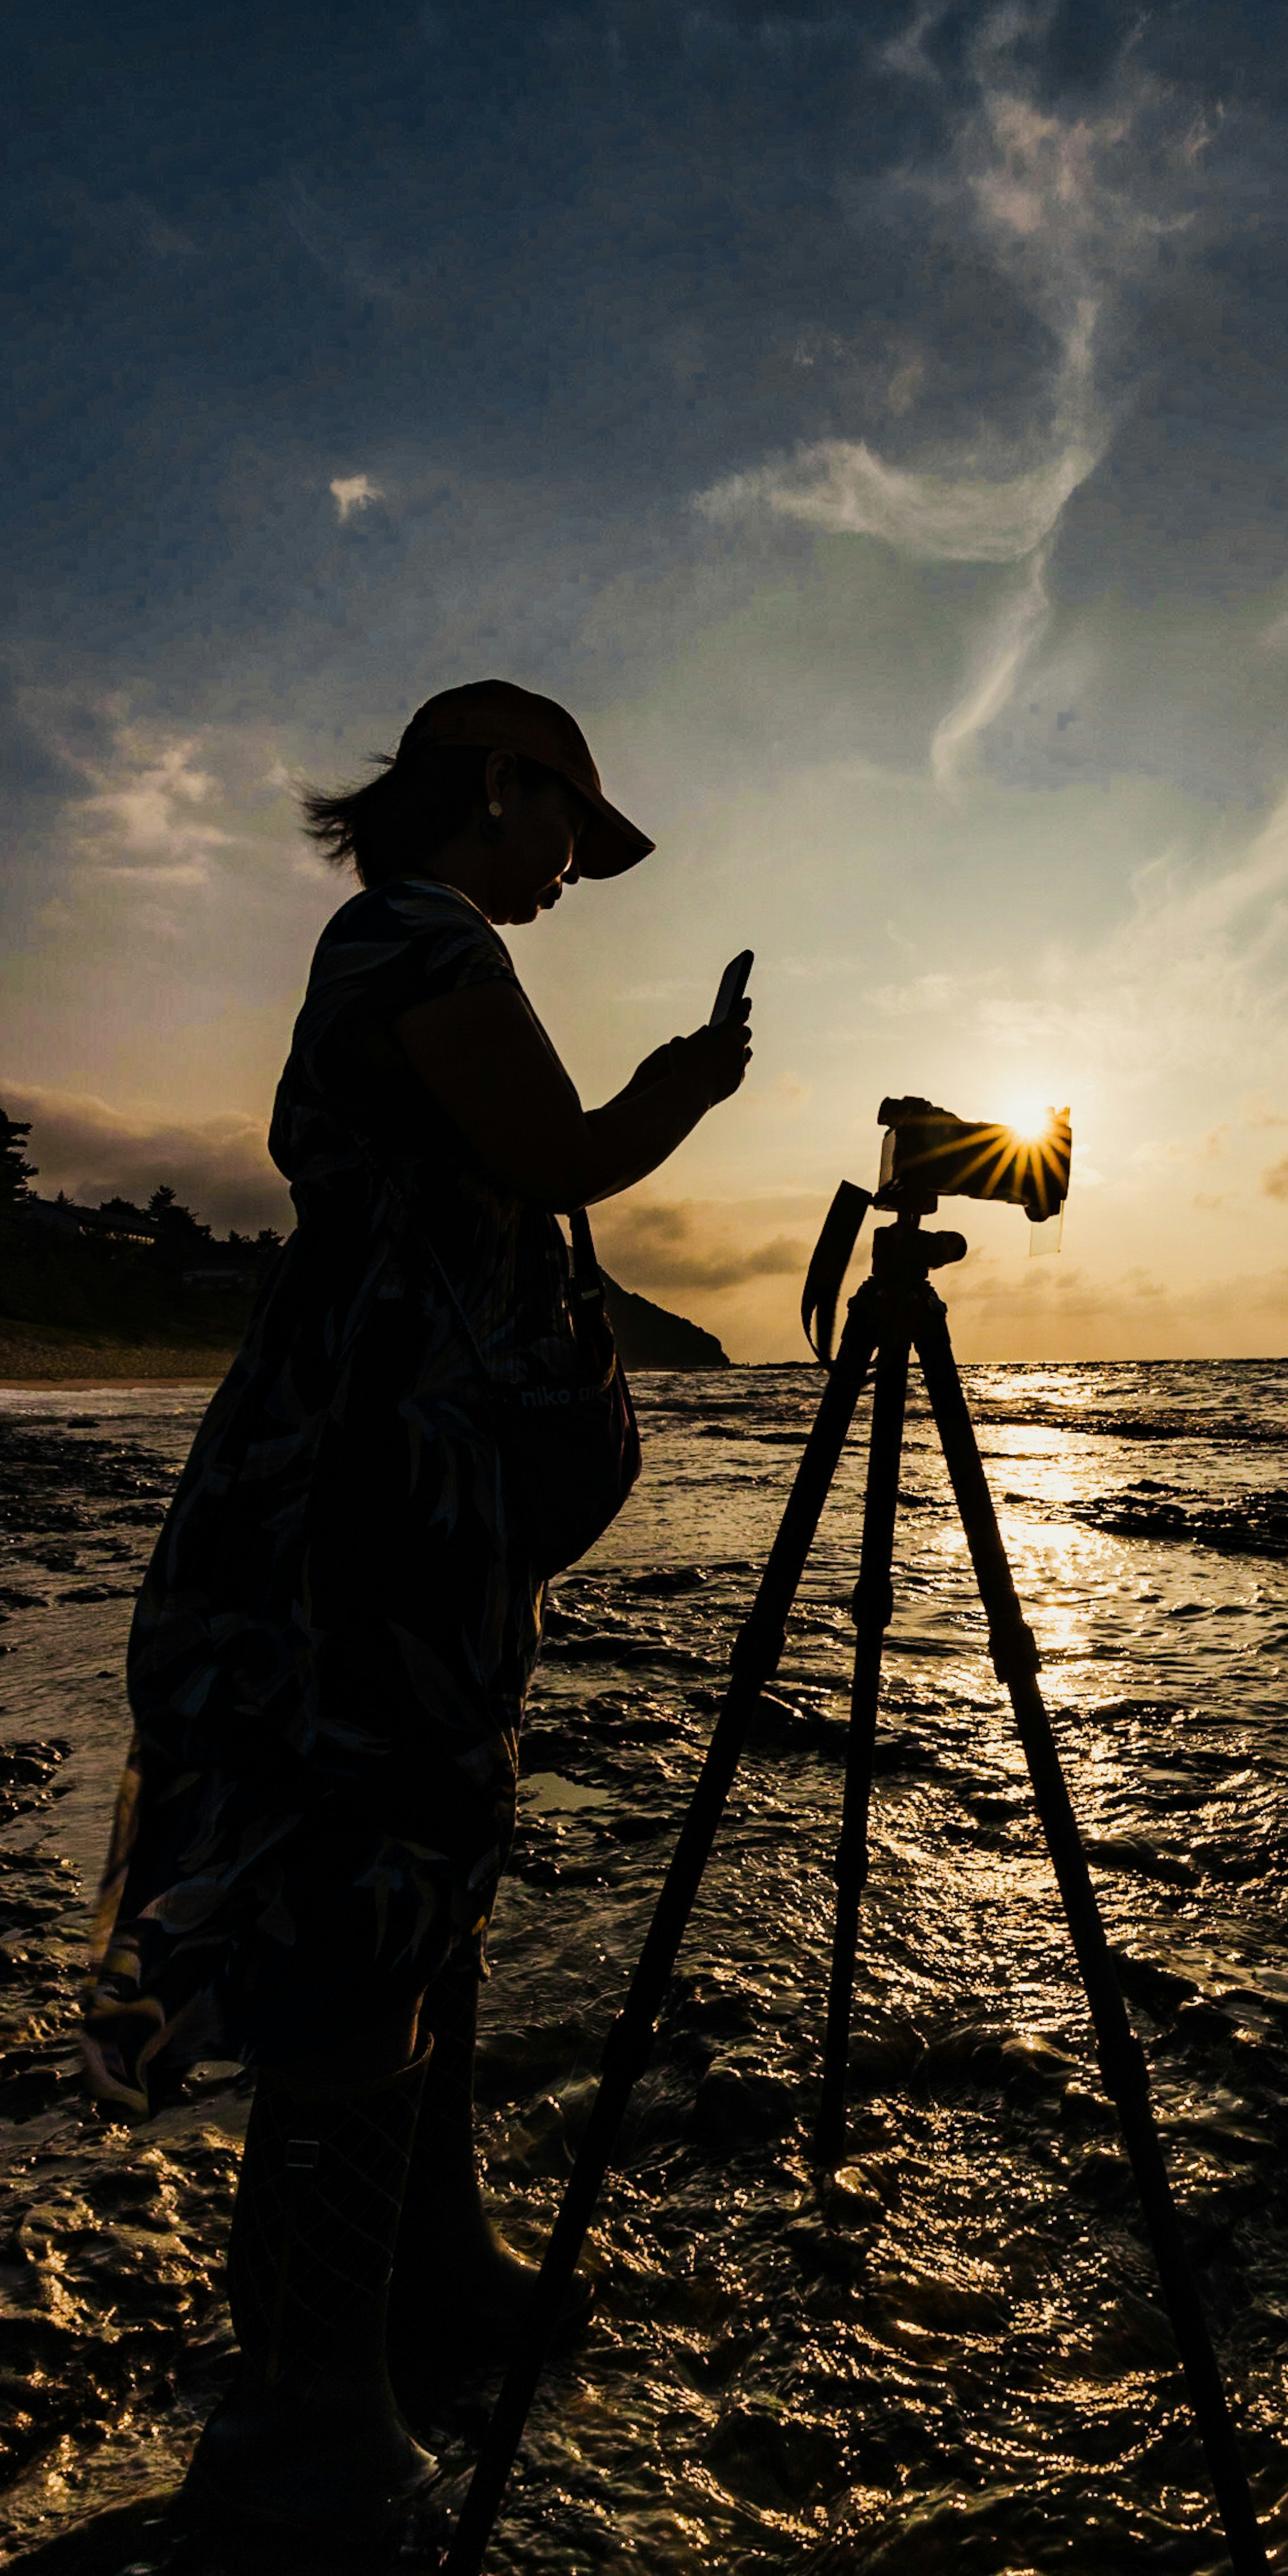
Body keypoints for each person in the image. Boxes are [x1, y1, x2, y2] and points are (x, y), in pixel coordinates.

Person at [81, 680, 751, 2541]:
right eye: (564, 829)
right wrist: (686, 1085)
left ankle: (425, 2281)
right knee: (367, 1872)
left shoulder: (422, 933)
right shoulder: (413, 927)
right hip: (372, 1480)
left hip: (409, 1480)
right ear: (500, 786)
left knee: (426, 1863)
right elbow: (555, 1158)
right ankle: (305, 2414)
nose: (567, 872)